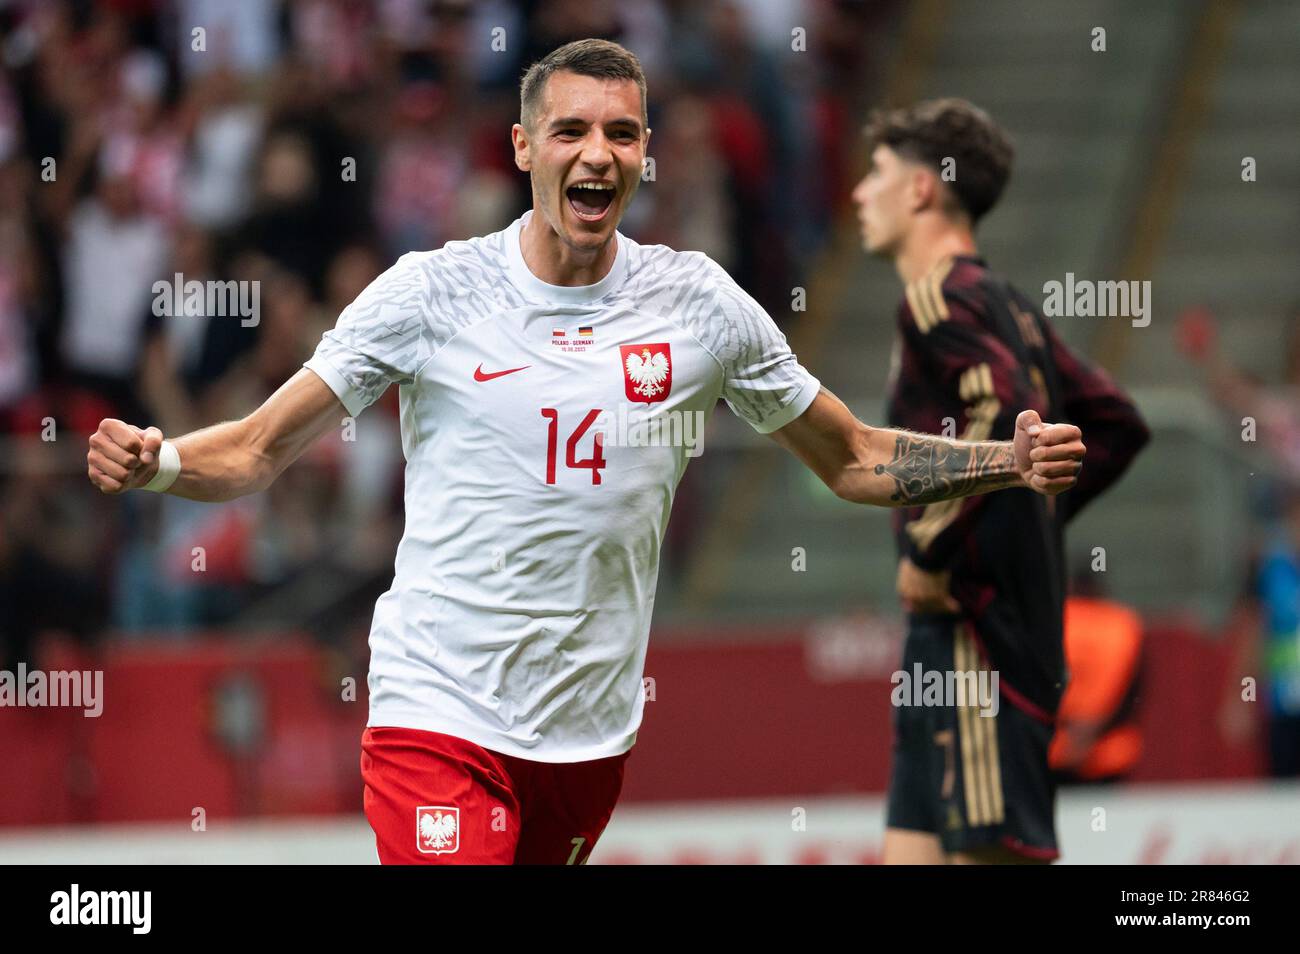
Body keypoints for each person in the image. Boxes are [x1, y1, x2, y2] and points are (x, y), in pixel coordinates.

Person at [87, 43, 1086, 865]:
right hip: (438, 707)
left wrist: (1004, 462)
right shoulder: (430, 295)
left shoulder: (699, 305)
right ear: (525, 147)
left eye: (619, 133)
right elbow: (260, 448)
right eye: (569, 131)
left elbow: (853, 457)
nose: (595, 154)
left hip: (587, 732)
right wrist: (161, 460)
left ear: (645, 152)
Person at [851, 99, 1149, 864]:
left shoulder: (938, 296)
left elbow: (1008, 411)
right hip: (950, 639)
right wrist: (1029, 525)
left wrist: (932, 552)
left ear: (921, 189)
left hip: (972, 635)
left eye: (876, 173)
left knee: (992, 857)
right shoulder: (1011, 305)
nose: (858, 192)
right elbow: (1114, 421)